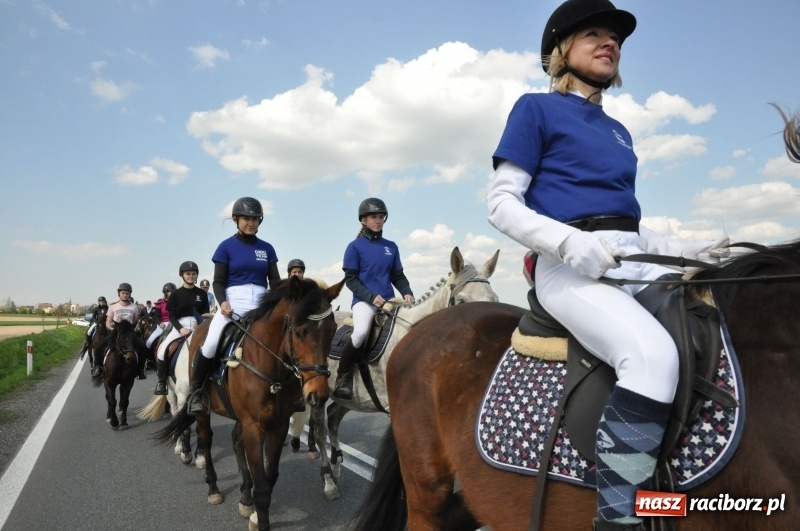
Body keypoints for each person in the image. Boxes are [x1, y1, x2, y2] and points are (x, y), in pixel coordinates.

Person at [486, 1, 727, 529]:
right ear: (560, 51)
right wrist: (568, 243)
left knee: (724, 320)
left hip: (629, 260)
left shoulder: (620, 131)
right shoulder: (535, 108)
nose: (609, 42)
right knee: (653, 357)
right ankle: (617, 518)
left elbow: (625, 227)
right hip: (566, 267)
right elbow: (502, 203)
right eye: (593, 33)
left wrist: (686, 248)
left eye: (614, 37)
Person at [187, 197, 281, 415]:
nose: (251, 223)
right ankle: (196, 392)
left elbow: (274, 281)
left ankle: (291, 392)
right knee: (210, 343)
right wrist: (223, 302)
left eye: (255, 219)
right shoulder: (226, 247)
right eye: (246, 218)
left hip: (261, 301)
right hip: (233, 301)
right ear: (236, 220)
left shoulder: (267, 249)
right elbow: (218, 281)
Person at [333, 198, 414, 400]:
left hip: (389, 301)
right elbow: (351, 280)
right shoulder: (354, 247)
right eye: (373, 217)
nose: (378, 221)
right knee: (360, 333)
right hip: (364, 302)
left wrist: (407, 291)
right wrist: (370, 297)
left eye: (380, 217)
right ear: (363, 220)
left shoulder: (391, 247)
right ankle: (343, 377)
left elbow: (398, 276)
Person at [154, 261, 210, 395]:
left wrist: (201, 326)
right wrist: (181, 329)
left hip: (198, 325)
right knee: (162, 351)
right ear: (182, 275)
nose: (191, 276)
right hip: (180, 325)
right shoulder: (175, 294)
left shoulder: (202, 294)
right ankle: (162, 382)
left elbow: (205, 314)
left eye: (193, 274)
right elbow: (172, 317)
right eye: (188, 274)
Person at [91, 283, 149, 380]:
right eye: (123, 293)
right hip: (116, 332)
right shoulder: (113, 307)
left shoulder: (134, 307)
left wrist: (135, 327)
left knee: (142, 346)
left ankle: (140, 370)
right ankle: (98, 368)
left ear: (129, 294)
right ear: (119, 294)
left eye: (127, 293)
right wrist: (113, 329)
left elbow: (136, 320)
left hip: (129, 333)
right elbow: (108, 322)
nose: (125, 295)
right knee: (98, 347)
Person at [146, 283, 175, 349]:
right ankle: (149, 358)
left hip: (174, 324)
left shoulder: (177, 303)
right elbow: (157, 316)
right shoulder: (160, 303)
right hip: (163, 325)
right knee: (149, 342)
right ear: (166, 292)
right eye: (172, 292)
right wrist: (160, 323)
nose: (173, 294)